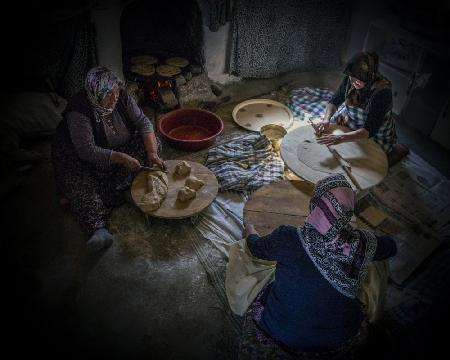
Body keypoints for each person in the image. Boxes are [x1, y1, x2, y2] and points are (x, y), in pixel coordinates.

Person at [243, 174, 397, 358]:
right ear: (348, 211)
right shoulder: (362, 244)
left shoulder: (287, 237)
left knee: (265, 290)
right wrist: (363, 238)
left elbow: (255, 248)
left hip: (280, 331)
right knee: (368, 279)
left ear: (315, 204)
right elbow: (391, 247)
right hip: (337, 340)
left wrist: (250, 231)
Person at [51, 66, 166, 252]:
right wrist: (120, 158)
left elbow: (144, 123)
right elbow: (86, 150)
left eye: (115, 91)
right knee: (77, 182)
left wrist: (152, 154)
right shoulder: (78, 112)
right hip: (83, 159)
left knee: (154, 144)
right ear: (95, 95)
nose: (114, 98)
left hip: (116, 152)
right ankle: (98, 229)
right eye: (108, 95)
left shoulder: (122, 96)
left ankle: (119, 188)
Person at [316, 50, 409, 166]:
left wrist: (340, 138)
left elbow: (369, 131)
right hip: (353, 120)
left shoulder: (382, 91)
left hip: (375, 133)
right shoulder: (350, 79)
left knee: (366, 162)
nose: (354, 83)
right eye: (352, 78)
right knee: (328, 132)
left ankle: (395, 149)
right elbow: (334, 101)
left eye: (359, 80)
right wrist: (326, 120)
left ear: (370, 75)